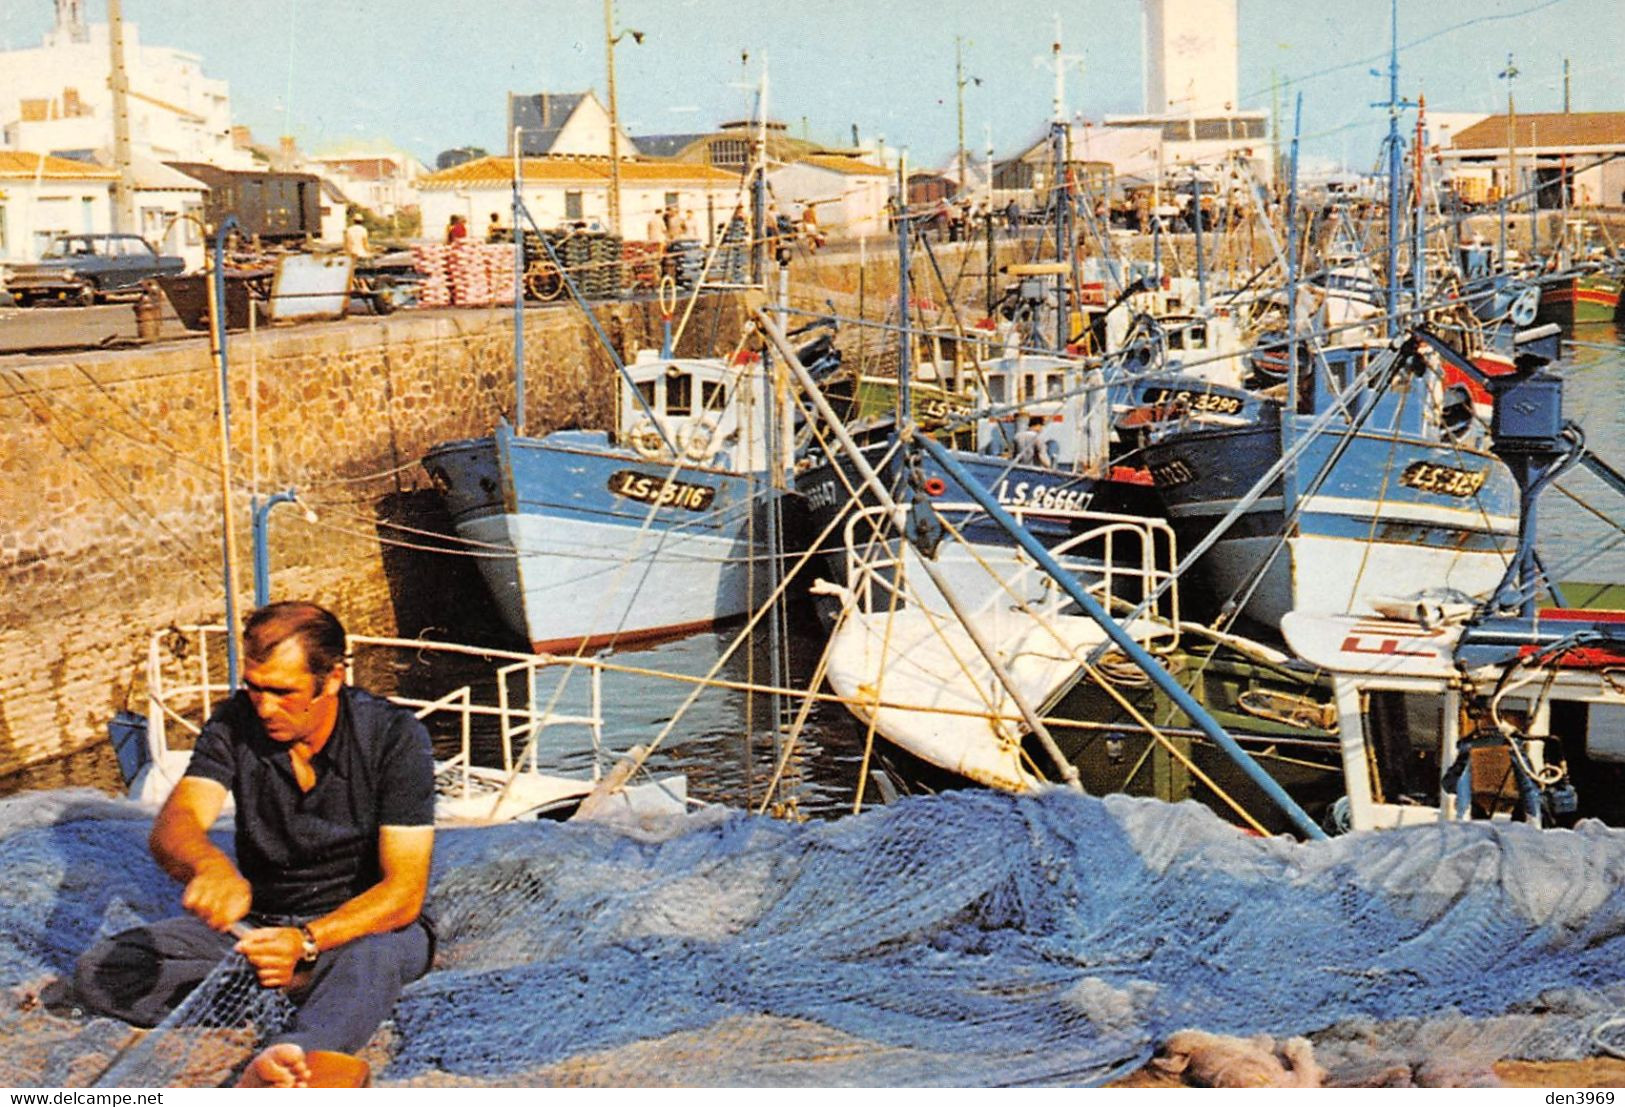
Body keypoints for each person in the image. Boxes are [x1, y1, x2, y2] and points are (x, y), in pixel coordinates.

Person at [72, 602, 436, 1089]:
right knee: (105, 968)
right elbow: (175, 824)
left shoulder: (394, 738)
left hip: (360, 929)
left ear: (332, 680)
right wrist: (208, 865)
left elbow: (404, 891)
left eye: (283, 692)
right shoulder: (233, 724)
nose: (264, 707)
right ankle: (304, 990)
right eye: (254, 687)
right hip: (259, 930)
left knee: (373, 960)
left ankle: (295, 1059)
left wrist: (307, 942)